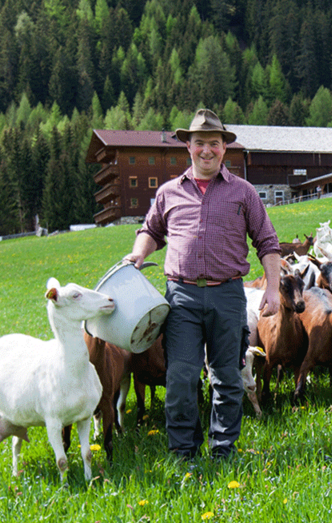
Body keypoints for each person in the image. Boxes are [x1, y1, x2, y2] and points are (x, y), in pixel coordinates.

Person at [125, 109, 281, 460]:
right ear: (188, 147)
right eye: (199, 143)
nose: (206, 150)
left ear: (225, 148)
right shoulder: (168, 193)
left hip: (228, 294)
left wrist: (272, 289)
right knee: (180, 378)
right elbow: (150, 231)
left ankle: (224, 449)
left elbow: (267, 242)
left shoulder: (243, 193)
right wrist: (138, 254)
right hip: (181, 296)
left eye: (214, 143)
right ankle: (184, 452)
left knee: (226, 376)